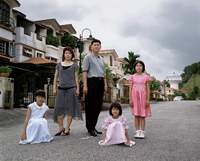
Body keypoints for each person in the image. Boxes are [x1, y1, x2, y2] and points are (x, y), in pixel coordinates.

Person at [53, 46, 82, 136]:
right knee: (59, 109)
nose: (67, 55)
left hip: (71, 89)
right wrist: (54, 88)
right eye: (66, 53)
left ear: (72, 55)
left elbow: (76, 78)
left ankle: (67, 128)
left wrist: (78, 89)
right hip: (61, 89)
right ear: (64, 54)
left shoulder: (74, 65)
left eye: (69, 53)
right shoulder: (59, 64)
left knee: (70, 109)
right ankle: (60, 127)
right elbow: (55, 77)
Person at [82, 39, 107, 137]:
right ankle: (90, 128)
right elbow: (84, 72)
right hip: (91, 82)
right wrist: (85, 85)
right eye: (95, 45)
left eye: (98, 45)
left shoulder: (101, 59)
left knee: (98, 106)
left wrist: (105, 85)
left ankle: (94, 126)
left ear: (100, 47)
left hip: (100, 82)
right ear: (91, 46)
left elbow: (104, 74)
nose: (97, 46)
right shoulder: (87, 57)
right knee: (90, 106)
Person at [129, 60, 152, 139]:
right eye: (137, 66)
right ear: (135, 67)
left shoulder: (146, 77)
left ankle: (142, 131)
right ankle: (137, 131)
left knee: (142, 115)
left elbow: (148, 89)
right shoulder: (132, 77)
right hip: (135, 97)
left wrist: (148, 100)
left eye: (140, 66)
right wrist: (130, 99)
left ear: (143, 67)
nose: (138, 67)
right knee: (136, 115)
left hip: (143, 97)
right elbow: (130, 88)